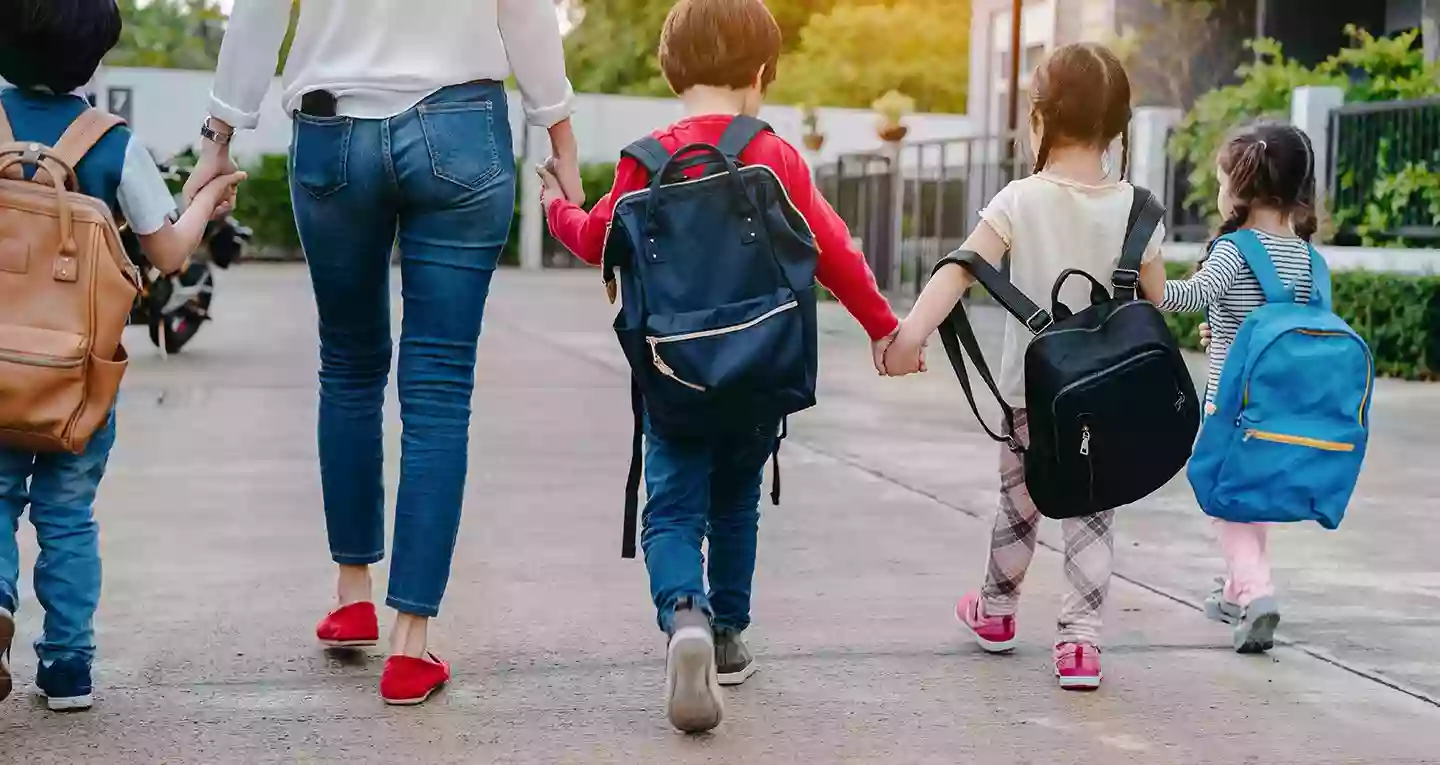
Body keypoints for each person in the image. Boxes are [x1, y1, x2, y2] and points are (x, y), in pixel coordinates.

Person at [183, 0, 580, 706]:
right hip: (461, 127)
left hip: (333, 129)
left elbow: (261, 11)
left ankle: (352, 594)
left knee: (349, 364)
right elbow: (522, 11)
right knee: (438, 385)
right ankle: (410, 642)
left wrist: (219, 135)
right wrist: (560, 135)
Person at [539, 0, 898, 731]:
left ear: (672, 71)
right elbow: (834, 250)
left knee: (671, 509)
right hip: (761, 370)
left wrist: (554, 205)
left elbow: (594, 239)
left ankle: (686, 615)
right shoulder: (773, 155)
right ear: (760, 74)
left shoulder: (646, 159)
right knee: (735, 499)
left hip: (673, 375)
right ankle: (729, 637)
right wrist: (885, 328)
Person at [883, 43, 1166, 690]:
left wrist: (910, 336)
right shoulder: (1139, 211)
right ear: (1119, 128)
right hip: (1110, 397)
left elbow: (960, 267)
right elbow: (1155, 301)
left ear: (1038, 120)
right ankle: (1081, 646)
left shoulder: (1019, 198)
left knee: (1020, 505)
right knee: (1094, 510)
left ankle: (997, 610)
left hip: (1031, 396)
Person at [0, 0, 243, 711]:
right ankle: (68, 667)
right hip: (77, 378)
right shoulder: (112, 144)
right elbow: (167, 251)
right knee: (68, 516)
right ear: (94, 58)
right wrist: (205, 202)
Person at [1157, 122, 1321, 653]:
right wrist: (1222, 324)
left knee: (1224, 500)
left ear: (1240, 185)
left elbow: (1183, 297)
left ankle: (1256, 591)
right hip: (1282, 404)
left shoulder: (1234, 250)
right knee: (1253, 497)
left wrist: (1145, 266)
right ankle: (1234, 590)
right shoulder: (1306, 256)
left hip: (1230, 404)